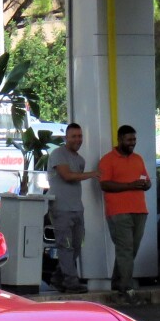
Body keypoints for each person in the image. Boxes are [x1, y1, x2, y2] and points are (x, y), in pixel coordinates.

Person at [97, 124, 152, 303]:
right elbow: (104, 184)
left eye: (134, 139)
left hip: (139, 210)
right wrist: (129, 186)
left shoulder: (138, 159)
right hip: (118, 211)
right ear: (120, 139)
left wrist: (145, 185)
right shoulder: (107, 159)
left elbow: (148, 181)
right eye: (129, 140)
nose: (132, 143)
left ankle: (117, 281)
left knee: (130, 249)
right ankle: (126, 287)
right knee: (125, 249)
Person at [45, 122, 95, 292]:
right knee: (65, 246)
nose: (77, 139)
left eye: (80, 136)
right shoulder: (58, 154)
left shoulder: (80, 159)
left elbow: (75, 176)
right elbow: (66, 176)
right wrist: (93, 174)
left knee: (76, 246)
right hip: (61, 208)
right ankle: (71, 281)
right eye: (74, 136)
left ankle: (59, 278)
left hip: (77, 208)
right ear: (66, 138)